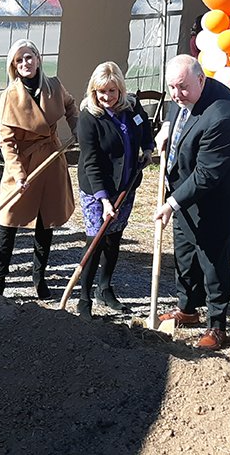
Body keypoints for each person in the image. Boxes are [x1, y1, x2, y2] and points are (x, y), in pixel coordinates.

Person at [153, 55, 230, 351]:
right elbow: (177, 105)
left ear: (200, 80)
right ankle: (187, 310)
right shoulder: (185, 91)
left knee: (213, 261)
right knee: (184, 254)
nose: (175, 94)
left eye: (181, 87)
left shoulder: (222, 114)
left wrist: (171, 203)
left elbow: (207, 174)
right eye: (171, 87)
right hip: (185, 193)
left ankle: (217, 326)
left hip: (217, 199)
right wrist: (167, 126)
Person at [0, 39, 79, 298]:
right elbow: (6, 141)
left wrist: (76, 126)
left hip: (51, 161)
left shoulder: (54, 85)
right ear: (13, 66)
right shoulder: (10, 95)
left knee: (46, 221)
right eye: (19, 60)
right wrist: (18, 175)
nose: (25, 63)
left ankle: (39, 278)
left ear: (38, 58)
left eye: (28, 57)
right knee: (7, 221)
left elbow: (71, 105)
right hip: (22, 165)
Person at [75, 62, 154, 319]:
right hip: (97, 189)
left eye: (111, 91)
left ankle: (105, 288)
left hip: (126, 185)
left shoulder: (132, 107)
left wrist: (149, 149)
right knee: (95, 240)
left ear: (120, 89)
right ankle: (84, 297)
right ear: (93, 91)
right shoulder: (89, 118)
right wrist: (104, 200)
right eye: (100, 92)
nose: (106, 97)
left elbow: (144, 129)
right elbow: (91, 162)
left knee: (114, 238)